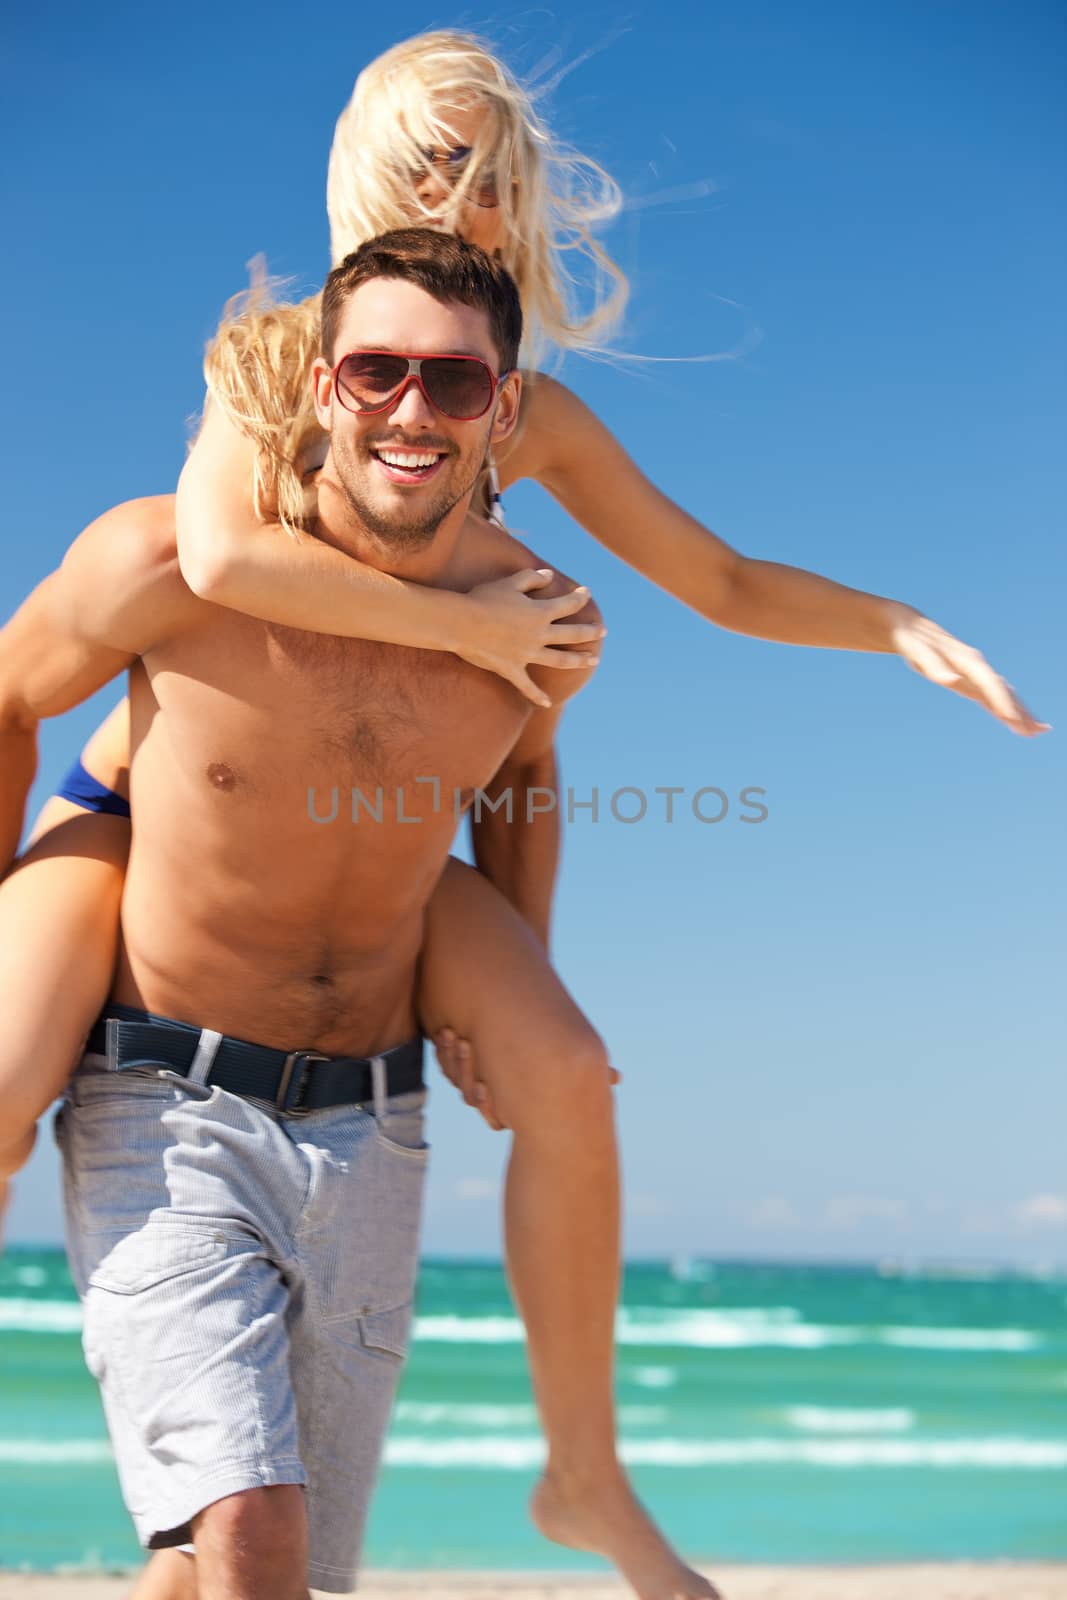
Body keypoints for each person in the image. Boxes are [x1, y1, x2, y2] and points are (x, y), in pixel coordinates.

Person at [0, 23, 1046, 1597]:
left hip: (390, 815)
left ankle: (589, 1476)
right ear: (363, 178)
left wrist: (893, 623)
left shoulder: (522, 416)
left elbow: (719, 579)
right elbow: (212, 567)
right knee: (7, 1060)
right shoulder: (284, 354)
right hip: (151, 793)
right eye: (433, 161)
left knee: (560, 1062)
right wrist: (473, 629)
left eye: (491, 169)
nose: (466, 193)